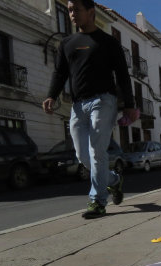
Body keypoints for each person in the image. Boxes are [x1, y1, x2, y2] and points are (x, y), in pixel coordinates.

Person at [43, 0, 137, 219]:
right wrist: (51, 95)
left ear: (91, 12)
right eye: (69, 10)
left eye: (76, 9)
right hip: (77, 106)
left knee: (96, 151)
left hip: (103, 101)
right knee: (83, 157)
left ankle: (97, 201)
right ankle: (113, 180)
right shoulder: (67, 43)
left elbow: (123, 75)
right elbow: (59, 74)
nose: (72, 14)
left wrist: (130, 105)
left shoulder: (108, 43)